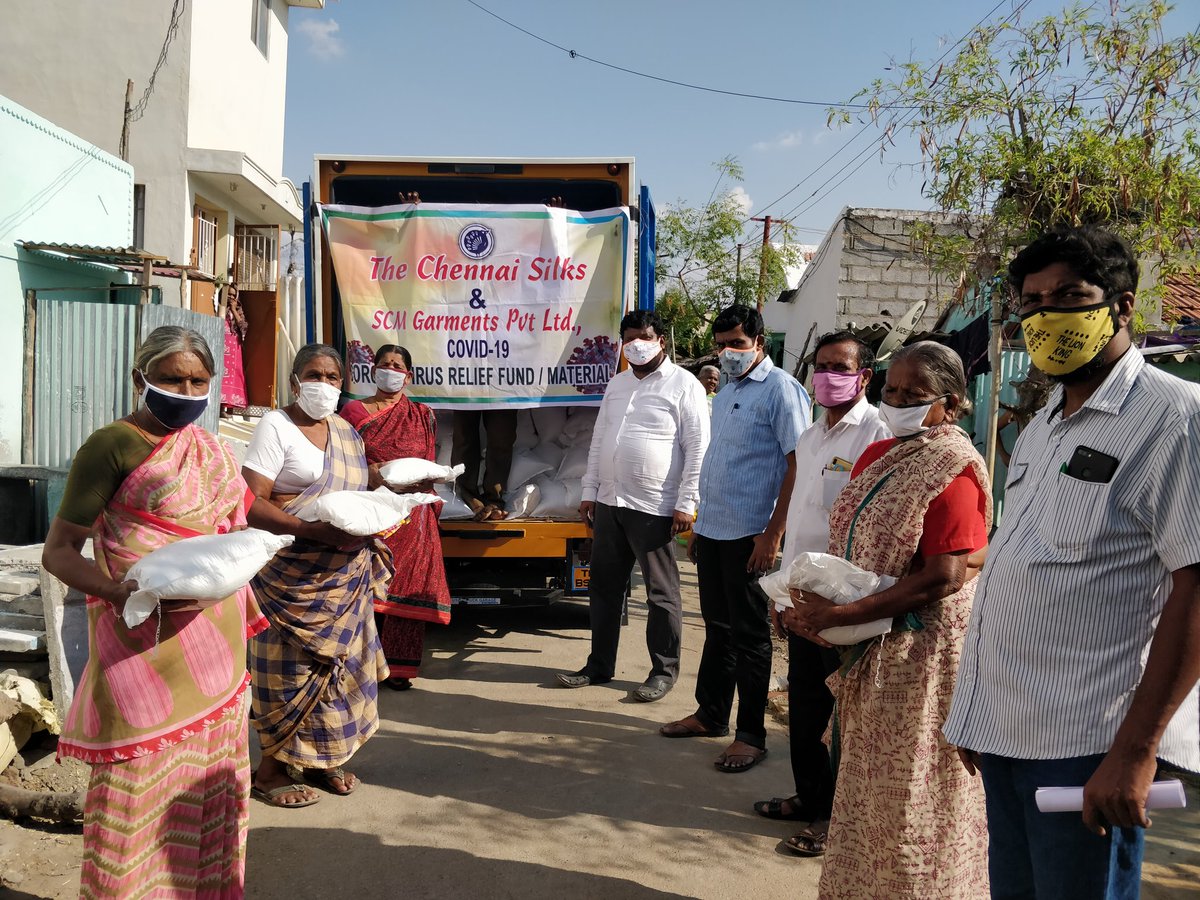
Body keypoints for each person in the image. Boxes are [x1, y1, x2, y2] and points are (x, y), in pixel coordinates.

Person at [944, 225, 1200, 899]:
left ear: (1121, 303)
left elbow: (1195, 588)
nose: (1045, 316)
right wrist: (977, 712)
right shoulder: (1044, 423)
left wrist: (1137, 752)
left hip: (1087, 745)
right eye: (1031, 302)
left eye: (1068, 296)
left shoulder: (1176, 420)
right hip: (1007, 734)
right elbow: (1021, 566)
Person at [43, 326, 267, 898]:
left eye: (198, 379)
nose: (187, 389)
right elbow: (59, 551)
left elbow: (237, 524)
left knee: (209, 784)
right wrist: (120, 594)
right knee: (136, 782)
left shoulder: (213, 449)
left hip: (215, 648)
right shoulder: (112, 445)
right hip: (139, 639)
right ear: (141, 377)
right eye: (172, 378)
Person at [786, 340, 991, 897]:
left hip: (920, 655)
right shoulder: (883, 453)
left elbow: (943, 575)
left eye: (914, 395)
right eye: (891, 390)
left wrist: (846, 612)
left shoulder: (953, 466)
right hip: (868, 641)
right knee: (865, 784)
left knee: (911, 795)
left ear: (949, 405)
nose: (897, 401)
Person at [753, 330, 890, 857]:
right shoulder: (811, 437)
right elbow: (801, 522)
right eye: (822, 366)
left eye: (841, 367)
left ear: (864, 377)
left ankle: (836, 819)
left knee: (844, 719)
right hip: (800, 599)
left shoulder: (875, 435)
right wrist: (781, 593)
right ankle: (809, 799)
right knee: (807, 708)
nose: (829, 376)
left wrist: (847, 608)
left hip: (845, 603)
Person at [661, 303, 810, 774]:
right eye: (721, 345)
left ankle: (751, 734)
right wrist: (701, 526)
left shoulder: (783, 391)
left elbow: (797, 465)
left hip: (753, 534)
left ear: (759, 344)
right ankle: (711, 714)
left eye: (737, 345)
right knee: (718, 628)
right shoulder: (726, 391)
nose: (727, 353)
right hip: (716, 527)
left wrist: (773, 534)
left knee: (749, 636)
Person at [241, 343, 391, 806]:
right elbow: (249, 502)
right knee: (290, 672)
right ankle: (269, 773)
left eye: (331, 376)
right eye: (313, 374)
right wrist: (308, 530)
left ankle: (326, 759)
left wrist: (395, 487)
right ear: (294, 381)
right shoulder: (276, 426)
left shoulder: (347, 431)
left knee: (340, 668)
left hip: (343, 573)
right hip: (290, 575)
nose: (323, 384)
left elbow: (357, 494)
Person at [556, 310, 710, 701]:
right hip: (610, 501)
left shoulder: (684, 385)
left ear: (660, 339)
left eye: (644, 336)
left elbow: (697, 449)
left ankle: (663, 671)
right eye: (629, 338)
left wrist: (686, 502)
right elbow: (599, 440)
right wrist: (589, 491)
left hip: (654, 506)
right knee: (604, 588)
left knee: (661, 593)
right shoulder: (618, 384)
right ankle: (599, 665)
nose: (636, 344)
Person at [341, 344, 451, 691]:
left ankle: (400, 669)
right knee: (365, 588)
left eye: (397, 365)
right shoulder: (354, 412)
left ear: (409, 375)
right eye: (384, 364)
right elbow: (343, 458)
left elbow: (429, 461)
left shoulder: (422, 414)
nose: (390, 369)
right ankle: (362, 665)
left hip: (414, 515)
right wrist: (370, 475)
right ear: (373, 370)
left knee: (408, 588)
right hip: (372, 509)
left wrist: (425, 494)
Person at [451, 408, 517, 521]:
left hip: (504, 392)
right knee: (464, 435)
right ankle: (470, 497)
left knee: (502, 436)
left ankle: (494, 500)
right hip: (464, 390)